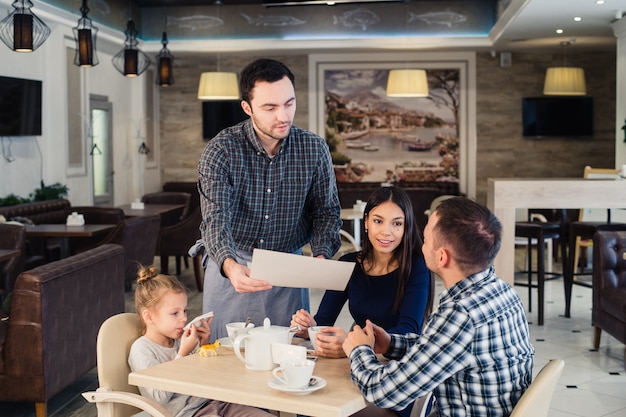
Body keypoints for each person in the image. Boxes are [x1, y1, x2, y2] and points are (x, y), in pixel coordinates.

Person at [342, 197, 535, 417]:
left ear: (441, 257)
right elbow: (445, 346)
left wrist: (359, 350)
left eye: (425, 240)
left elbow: (383, 391)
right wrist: (390, 343)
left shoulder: (461, 314)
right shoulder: (500, 290)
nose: (420, 246)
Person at [197, 58, 342, 341]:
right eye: (270, 107)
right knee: (224, 361)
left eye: (289, 103)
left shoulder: (314, 149)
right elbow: (215, 220)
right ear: (247, 108)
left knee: (288, 355)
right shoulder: (221, 151)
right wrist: (230, 266)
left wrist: (321, 260)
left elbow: (326, 213)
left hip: (289, 268)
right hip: (234, 265)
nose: (283, 116)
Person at [290, 186, 432, 362]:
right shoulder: (349, 264)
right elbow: (323, 321)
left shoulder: (418, 267)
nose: (386, 232)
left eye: (397, 223)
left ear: (406, 227)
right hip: (360, 360)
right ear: (366, 222)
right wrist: (309, 328)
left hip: (402, 364)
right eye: (378, 221)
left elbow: (409, 332)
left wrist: (353, 344)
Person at [128, 265, 272, 417]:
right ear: (149, 317)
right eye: (174, 313)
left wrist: (204, 346)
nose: (184, 318)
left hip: (217, 402)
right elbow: (158, 398)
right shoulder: (142, 350)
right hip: (188, 413)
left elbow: (204, 375)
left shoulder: (180, 340)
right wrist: (182, 355)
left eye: (185, 311)